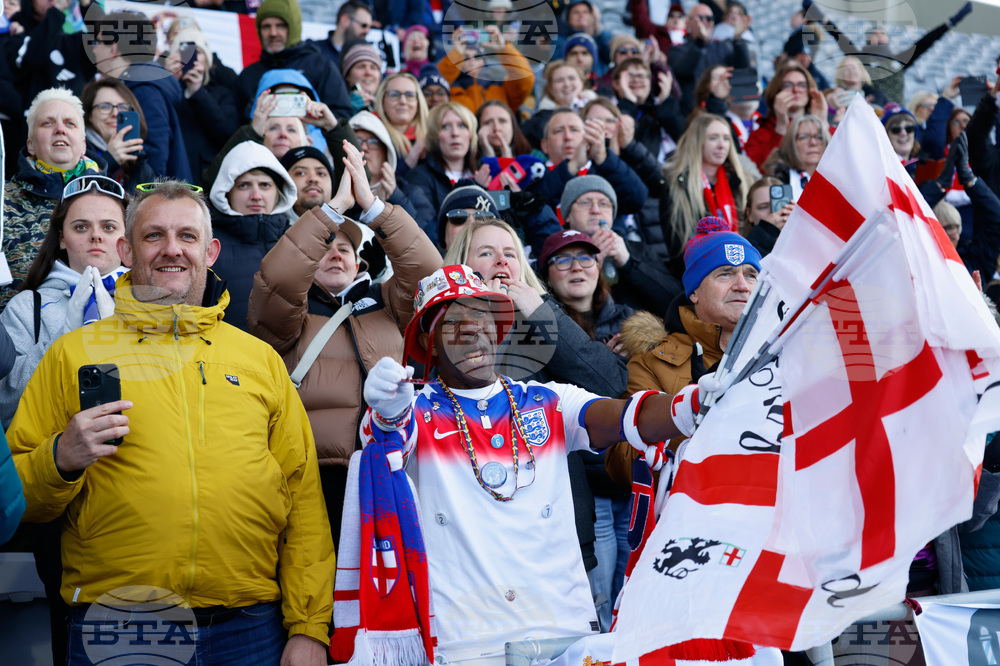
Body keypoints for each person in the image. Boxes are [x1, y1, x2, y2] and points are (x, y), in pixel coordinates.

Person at [8, 179, 334, 665]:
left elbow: (303, 498)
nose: (171, 249)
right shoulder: (72, 354)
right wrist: (60, 459)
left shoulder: (259, 360)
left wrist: (309, 627)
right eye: (153, 235)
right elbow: (12, 497)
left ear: (211, 252)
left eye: (187, 236)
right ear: (126, 249)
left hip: (250, 628)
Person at [330, 262, 687, 665]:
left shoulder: (548, 400)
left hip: (562, 633)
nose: (473, 329)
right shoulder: (414, 408)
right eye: (454, 322)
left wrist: (686, 407)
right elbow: (385, 442)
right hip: (465, 640)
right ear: (430, 341)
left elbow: (624, 418)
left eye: (482, 315)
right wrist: (387, 410)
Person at [248, 140, 441, 551]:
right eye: (324, 247)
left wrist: (374, 207)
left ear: (360, 263)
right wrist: (332, 210)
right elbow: (279, 280)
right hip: (310, 476)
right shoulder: (287, 314)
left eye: (345, 249)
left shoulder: (389, 304)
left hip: (392, 466)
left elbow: (428, 274)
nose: (334, 254)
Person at [607, 215, 762, 487]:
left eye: (751, 274)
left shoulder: (781, 352)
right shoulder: (651, 362)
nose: (742, 285)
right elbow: (622, 462)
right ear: (694, 293)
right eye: (725, 273)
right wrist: (688, 412)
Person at [443, 218, 628, 397]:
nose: (502, 260)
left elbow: (611, 384)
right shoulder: (440, 321)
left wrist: (543, 314)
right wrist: (488, 318)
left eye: (510, 254)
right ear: (461, 268)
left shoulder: (544, 312)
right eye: (486, 253)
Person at [0, 175, 128, 428]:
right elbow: (4, 403)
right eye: (81, 227)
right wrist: (61, 340)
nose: (96, 236)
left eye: (109, 227)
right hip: (51, 452)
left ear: (128, 240)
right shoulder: (27, 306)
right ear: (61, 238)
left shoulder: (151, 302)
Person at [2, 88, 106, 306]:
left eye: (70, 123)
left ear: (84, 144)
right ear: (30, 143)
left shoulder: (115, 200)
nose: (60, 129)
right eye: (47, 123)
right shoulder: (3, 200)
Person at [804, 0, 973, 104]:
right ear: (868, 40)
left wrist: (951, 22)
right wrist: (819, 15)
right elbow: (838, 35)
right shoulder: (860, 59)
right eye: (874, 34)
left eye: (882, 34)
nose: (879, 37)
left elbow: (926, 41)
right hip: (872, 108)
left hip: (896, 112)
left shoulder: (899, 60)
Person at [89, 12, 192, 182]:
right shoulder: (141, 83)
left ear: (113, 48)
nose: (94, 49)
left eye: (97, 42)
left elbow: (155, 161)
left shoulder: (144, 90)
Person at [561, 174, 682, 314]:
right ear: (567, 214)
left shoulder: (638, 249)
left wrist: (629, 264)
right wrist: (591, 264)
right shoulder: (557, 255)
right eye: (585, 203)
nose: (595, 210)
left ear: (613, 214)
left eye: (603, 203)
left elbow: (675, 301)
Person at [208, 141, 297, 332]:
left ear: (278, 192)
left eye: (265, 185)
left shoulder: (300, 240)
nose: (256, 195)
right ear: (227, 192)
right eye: (244, 186)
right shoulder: (207, 246)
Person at [661, 112, 750, 276]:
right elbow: (679, 248)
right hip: (698, 275)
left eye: (726, 138)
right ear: (697, 142)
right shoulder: (677, 186)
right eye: (713, 138)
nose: (722, 145)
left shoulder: (740, 182)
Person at [235, 0, 353, 121]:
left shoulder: (321, 66)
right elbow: (233, 129)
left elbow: (343, 116)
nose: (273, 33)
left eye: (281, 25)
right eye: (266, 26)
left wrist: (315, 118)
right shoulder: (247, 76)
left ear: (294, 27)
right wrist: (251, 115)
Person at [163, 28, 240, 187]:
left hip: (209, 180)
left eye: (197, 52)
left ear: (207, 60)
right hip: (171, 178)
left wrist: (198, 92)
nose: (191, 59)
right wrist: (168, 81)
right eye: (184, 53)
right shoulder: (167, 91)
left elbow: (227, 135)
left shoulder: (222, 93)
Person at [403, 102, 489, 245]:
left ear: (471, 134)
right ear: (434, 136)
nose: (455, 133)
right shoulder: (419, 177)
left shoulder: (485, 173)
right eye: (445, 126)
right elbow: (428, 232)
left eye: (462, 125)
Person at [668, 1, 751, 114]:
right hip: (691, 112)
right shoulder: (677, 50)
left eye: (709, 18)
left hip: (722, 109)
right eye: (700, 18)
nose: (706, 22)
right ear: (688, 22)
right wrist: (699, 42)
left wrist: (738, 39)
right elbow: (683, 71)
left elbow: (742, 68)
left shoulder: (722, 47)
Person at [438, 24, 535, 116]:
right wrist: (456, 54)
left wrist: (504, 48)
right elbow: (434, 84)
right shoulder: (449, 88)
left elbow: (525, 79)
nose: (472, 60)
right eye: (466, 57)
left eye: (477, 56)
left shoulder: (501, 86)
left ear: (483, 61)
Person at [744, 61, 825, 169]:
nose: (796, 90)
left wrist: (822, 124)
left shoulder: (824, 126)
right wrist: (781, 127)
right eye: (788, 85)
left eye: (802, 85)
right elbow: (761, 170)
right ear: (776, 91)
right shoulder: (760, 135)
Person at [80, 79, 154, 193]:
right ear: (89, 115)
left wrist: (140, 164)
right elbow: (80, 194)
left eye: (123, 107)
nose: (115, 113)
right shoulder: (79, 153)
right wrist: (109, 160)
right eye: (105, 106)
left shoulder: (140, 160)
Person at [348, 110, 421, 219]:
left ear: (387, 153)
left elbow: (420, 233)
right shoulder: (330, 191)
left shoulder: (412, 194)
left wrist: (395, 196)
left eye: (373, 142)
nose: (364, 147)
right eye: (357, 141)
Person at [761, 114, 829, 200]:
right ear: (791, 143)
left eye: (819, 137)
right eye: (804, 137)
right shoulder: (776, 181)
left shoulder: (839, 178)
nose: (813, 142)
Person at [374, 73, 430, 176]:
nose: (403, 101)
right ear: (382, 101)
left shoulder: (433, 136)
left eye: (409, 95)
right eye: (394, 94)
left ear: (418, 102)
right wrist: (411, 159)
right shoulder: (371, 136)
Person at [313, 0, 373, 71]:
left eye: (370, 27)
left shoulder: (368, 57)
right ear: (345, 20)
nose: (367, 31)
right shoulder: (315, 51)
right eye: (364, 25)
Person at [743, 176, 793, 258]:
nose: (772, 213)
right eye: (763, 207)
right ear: (749, 214)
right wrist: (766, 231)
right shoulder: (740, 248)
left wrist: (800, 223)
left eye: (780, 205)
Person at [280, 145, 334, 220]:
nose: (313, 178)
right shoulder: (267, 227)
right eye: (301, 173)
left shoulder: (350, 229)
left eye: (321, 173)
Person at [342, 41, 383, 114]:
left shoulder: (390, 108)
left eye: (373, 68)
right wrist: (347, 110)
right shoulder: (334, 107)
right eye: (361, 67)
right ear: (347, 75)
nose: (368, 72)